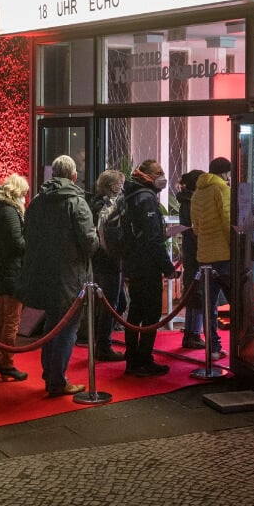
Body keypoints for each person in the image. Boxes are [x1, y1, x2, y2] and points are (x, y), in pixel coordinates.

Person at [16, 155, 97, 397]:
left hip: (44, 273)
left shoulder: (38, 202)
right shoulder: (76, 202)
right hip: (70, 277)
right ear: (74, 176)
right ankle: (57, 380)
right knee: (67, 329)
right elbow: (89, 243)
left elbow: (27, 235)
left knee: (52, 326)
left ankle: (50, 374)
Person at [121, 160, 178, 377]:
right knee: (150, 315)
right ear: (146, 175)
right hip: (146, 267)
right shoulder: (146, 198)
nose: (163, 175)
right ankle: (143, 360)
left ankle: (132, 359)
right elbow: (153, 239)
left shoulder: (131, 195)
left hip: (134, 263)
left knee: (135, 313)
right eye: (158, 172)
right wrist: (167, 266)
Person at [0, 173, 29, 381]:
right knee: (11, 320)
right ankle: (7, 364)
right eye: (24, 194)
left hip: (2, 268)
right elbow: (17, 244)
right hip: (13, 271)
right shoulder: (9, 212)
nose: (25, 198)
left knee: (1, 319)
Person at [191, 157, 234, 359]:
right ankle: (243, 346)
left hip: (204, 255)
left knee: (209, 304)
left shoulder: (198, 192)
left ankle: (213, 348)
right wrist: (234, 245)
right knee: (237, 300)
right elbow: (228, 221)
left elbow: (196, 226)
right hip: (223, 255)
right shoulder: (222, 190)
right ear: (225, 173)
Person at [86, 169, 126, 362]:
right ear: (113, 186)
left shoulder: (93, 203)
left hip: (99, 259)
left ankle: (102, 340)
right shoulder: (108, 206)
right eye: (120, 183)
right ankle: (104, 345)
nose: (122, 187)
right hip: (109, 260)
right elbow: (105, 234)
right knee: (110, 303)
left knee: (112, 302)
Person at [176, 169, 206, 350]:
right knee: (197, 292)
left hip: (190, 251)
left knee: (194, 291)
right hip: (196, 252)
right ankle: (193, 334)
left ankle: (191, 331)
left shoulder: (185, 201)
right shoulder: (192, 203)